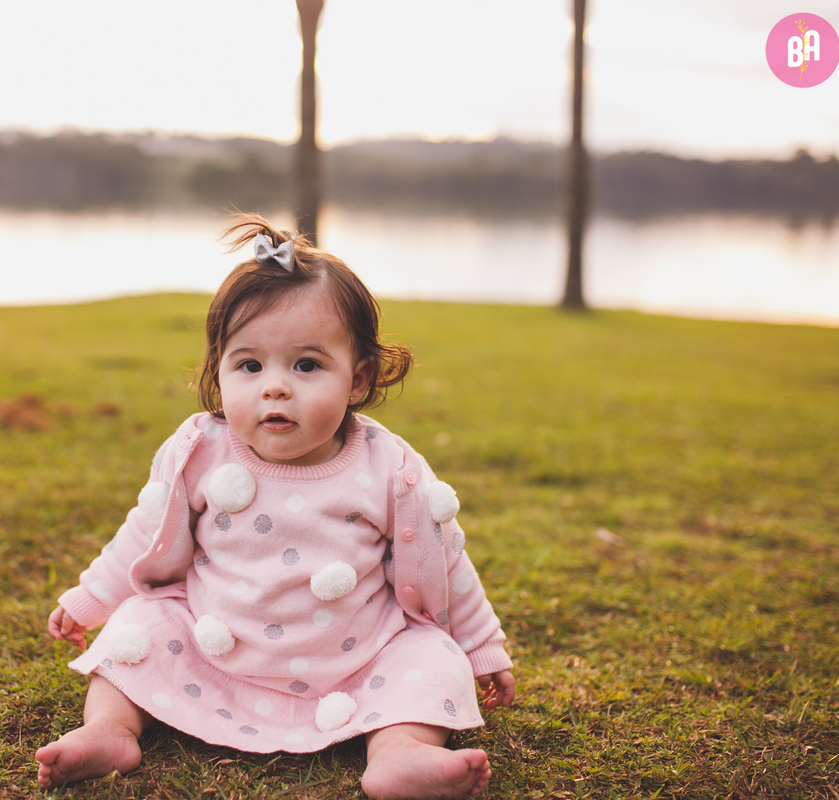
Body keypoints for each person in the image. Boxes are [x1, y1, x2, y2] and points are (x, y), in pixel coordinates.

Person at [37, 213, 515, 799]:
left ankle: (398, 754)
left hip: (356, 661)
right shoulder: (201, 451)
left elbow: (445, 559)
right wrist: (91, 599)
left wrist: (480, 645)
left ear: (358, 379)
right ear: (220, 369)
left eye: (307, 365)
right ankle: (108, 732)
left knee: (431, 654)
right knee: (141, 623)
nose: (275, 387)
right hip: (217, 647)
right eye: (250, 365)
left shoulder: (389, 467)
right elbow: (145, 532)